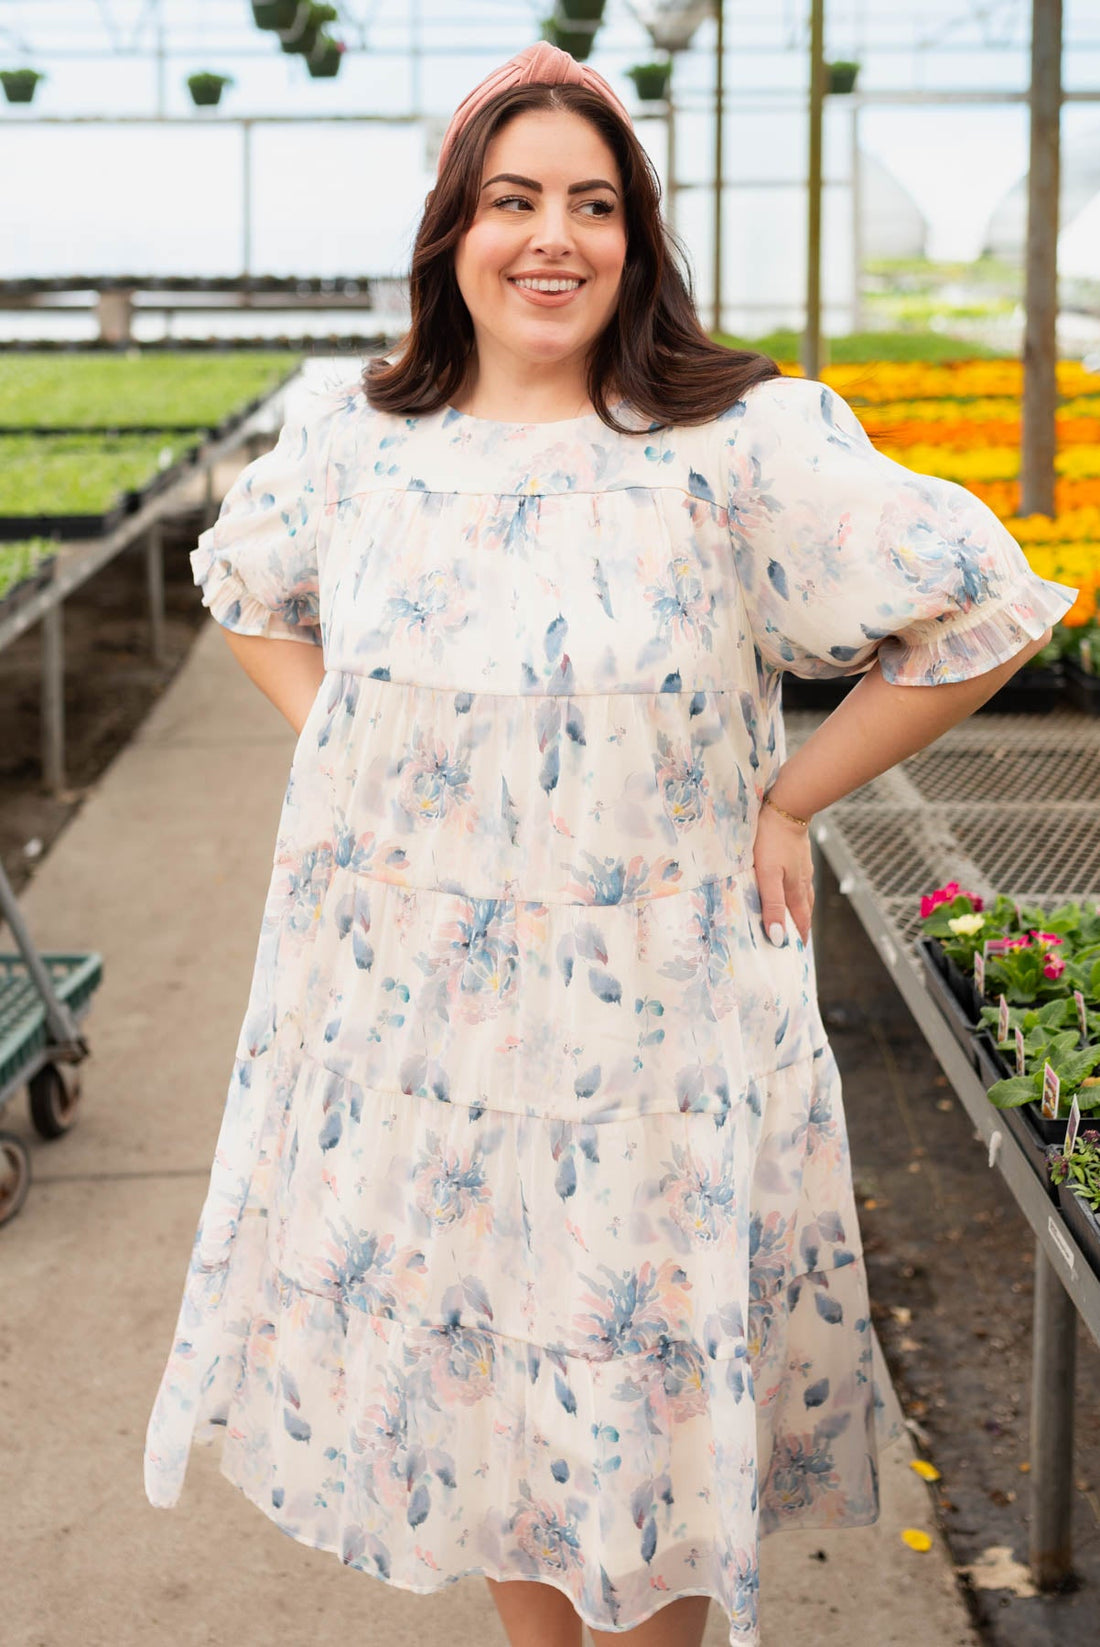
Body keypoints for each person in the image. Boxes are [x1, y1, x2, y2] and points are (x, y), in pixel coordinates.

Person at [143, 41, 1076, 1647]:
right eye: (513, 200)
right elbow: (247, 584)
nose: (552, 238)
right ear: (453, 228)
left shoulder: (732, 443)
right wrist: (346, 744)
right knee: (494, 1371)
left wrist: (791, 796)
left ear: (638, 238)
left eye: (593, 204)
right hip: (426, 1025)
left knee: (635, 1386)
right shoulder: (361, 437)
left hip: (656, 1033)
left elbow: (984, 607)